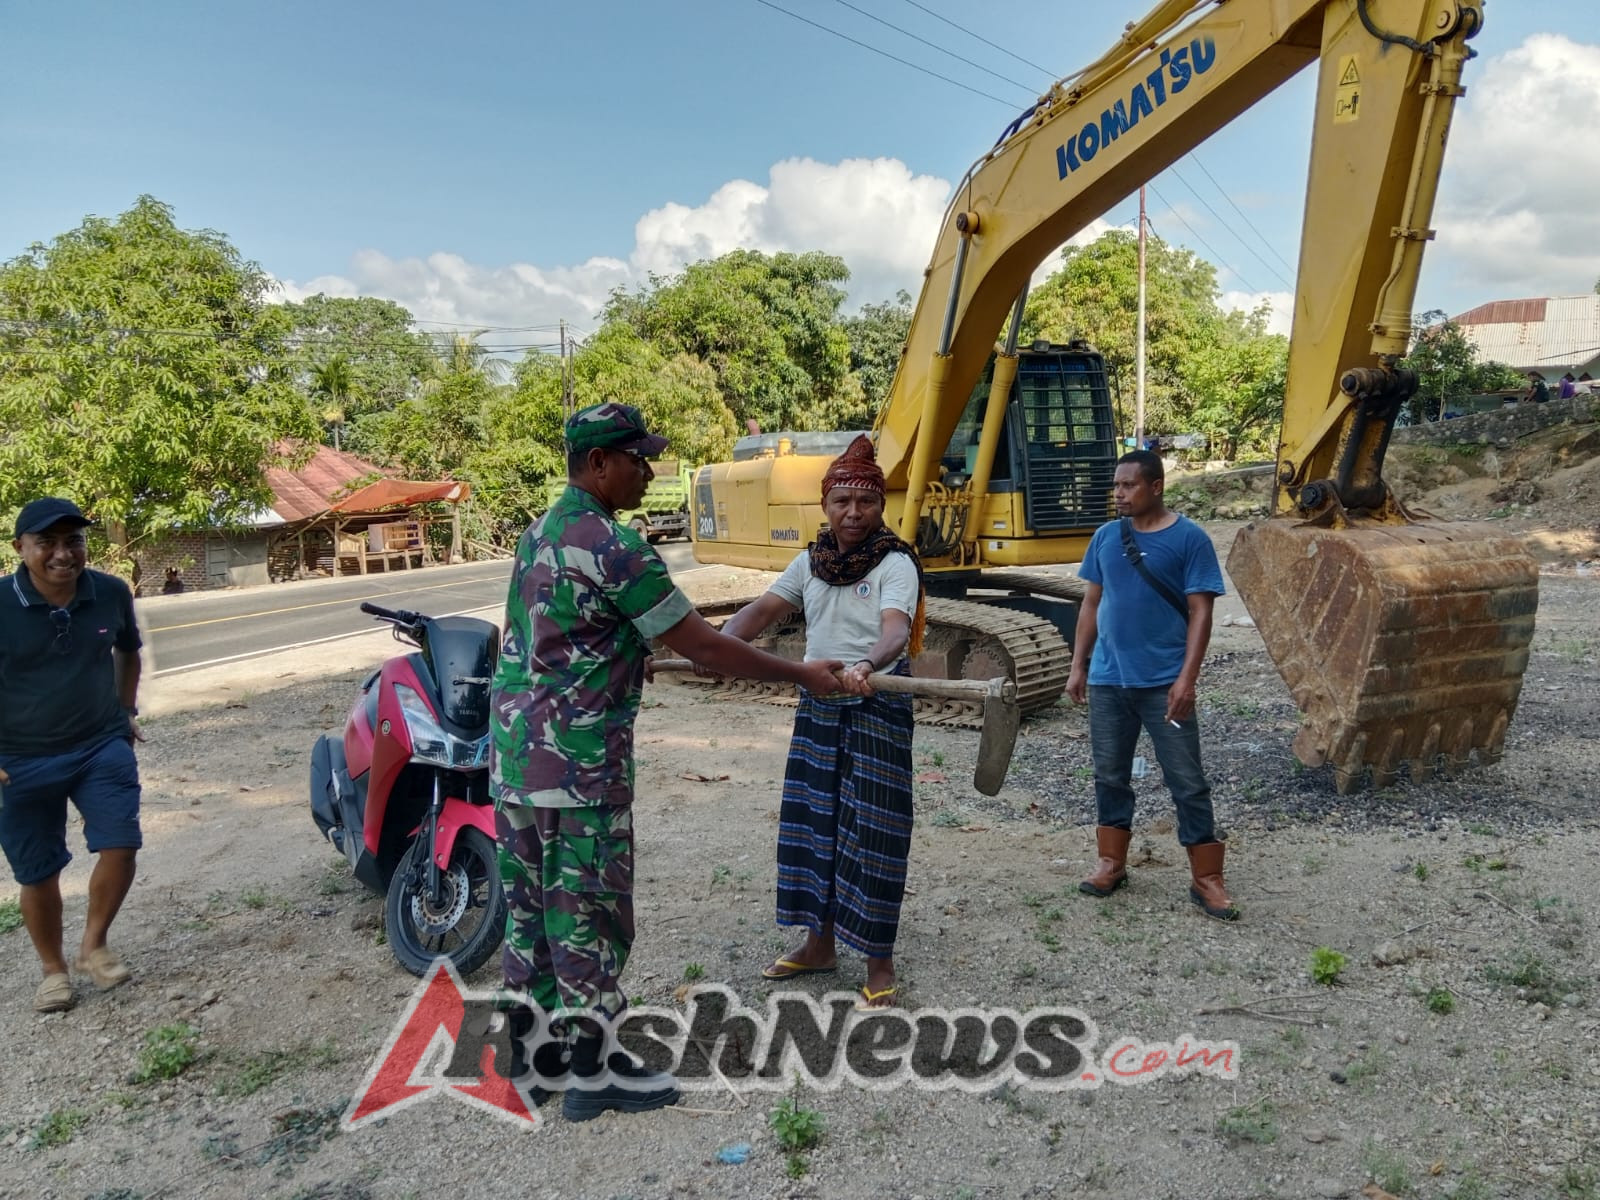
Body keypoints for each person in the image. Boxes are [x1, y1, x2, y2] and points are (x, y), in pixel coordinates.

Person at [490, 402, 846, 1121]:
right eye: (636, 458)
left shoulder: (539, 533)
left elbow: (554, 637)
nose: (648, 471)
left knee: (531, 912)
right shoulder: (614, 546)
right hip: (578, 768)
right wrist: (803, 673)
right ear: (597, 464)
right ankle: (594, 1075)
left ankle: (532, 1061)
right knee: (587, 913)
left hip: (515, 761)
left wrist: (624, 654)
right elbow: (707, 648)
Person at [711, 435, 923, 1009]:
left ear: (882, 507)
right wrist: (712, 649)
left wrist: (866, 664)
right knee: (814, 824)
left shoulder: (896, 561)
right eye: (842, 503)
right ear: (825, 506)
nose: (853, 514)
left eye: (866, 503)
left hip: (877, 701)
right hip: (819, 704)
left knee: (876, 829)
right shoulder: (810, 561)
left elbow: (895, 631)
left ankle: (879, 959)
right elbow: (760, 613)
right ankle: (819, 944)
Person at [1066, 451, 1236, 920]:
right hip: (1107, 681)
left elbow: (1202, 612)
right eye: (1116, 486)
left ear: (1156, 486)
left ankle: (1207, 879)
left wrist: (1187, 679)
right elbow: (1091, 604)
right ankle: (1111, 863)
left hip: (1165, 684)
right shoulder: (1104, 537)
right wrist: (1078, 665)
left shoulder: (1190, 540)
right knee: (1109, 775)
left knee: (1188, 780)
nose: (1118, 494)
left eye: (1128, 486)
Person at [1, 498, 145, 1013]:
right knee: (37, 871)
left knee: (121, 845)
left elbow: (128, 650)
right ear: (21, 548)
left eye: (74, 541)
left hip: (98, 743)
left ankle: (93, 945)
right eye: (48, 543)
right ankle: (52, 971)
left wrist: (126, 710)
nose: (63, 554)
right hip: (17, 760)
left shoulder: (109, 592)